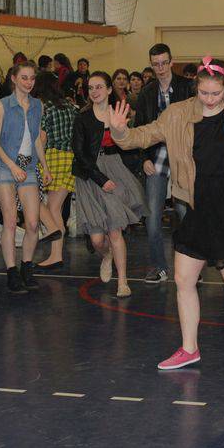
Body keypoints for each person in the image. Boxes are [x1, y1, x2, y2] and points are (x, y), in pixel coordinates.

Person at [111, 57, 224, 373]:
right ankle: (189, 349)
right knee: (184, 278)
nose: (210, 99)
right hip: (199, 205)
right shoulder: (177, 114)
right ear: (196, 88)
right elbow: (143, 136)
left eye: (216, 94)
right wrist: (120, 131)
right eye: (204, 93)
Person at [72, 71, 146, 298]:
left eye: (99, 87)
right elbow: (80, 154)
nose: (94, 91)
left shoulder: (117, 114)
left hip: (115, 170)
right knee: (97, 239)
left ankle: (122, 281)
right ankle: (106, 255)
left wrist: (140, 162)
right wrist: (101, 179)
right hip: (90, 175)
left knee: (115, 231)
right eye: (91, 87)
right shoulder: (82, 118)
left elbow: (130, 142)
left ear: (109, 89)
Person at [0, 62, 58, 295]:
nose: (29, 82)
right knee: (10, 221)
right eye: (24, 78)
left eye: (32, 78)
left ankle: (27, 266)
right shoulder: (2, 105)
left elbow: (36, 138)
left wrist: (44, 167)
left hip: (28, 166)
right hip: (5, 166)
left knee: (32, 223)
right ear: (14, 79)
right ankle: (11, 271)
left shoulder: (38, 105)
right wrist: (11, 166)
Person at [133, 43, 194, 284]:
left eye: (164, 63)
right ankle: (159, 267)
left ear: (171, 62)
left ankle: (192, 268)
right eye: (155, 64)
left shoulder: (187, 87)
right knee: (152, 215)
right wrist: (144, 158)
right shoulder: (147, 93)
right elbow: (139, 129)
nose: (160, 68)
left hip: (182, 155)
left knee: (186, 214)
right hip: (156, 155)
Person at [35, 71, 78, 270]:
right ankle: (56, 254)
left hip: (53, 156)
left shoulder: (44, 107)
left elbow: (42, 138)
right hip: (70, 158)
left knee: (47, 206)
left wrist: (39, 161)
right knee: (56, 208)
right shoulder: (70, 106)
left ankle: (55, 254)